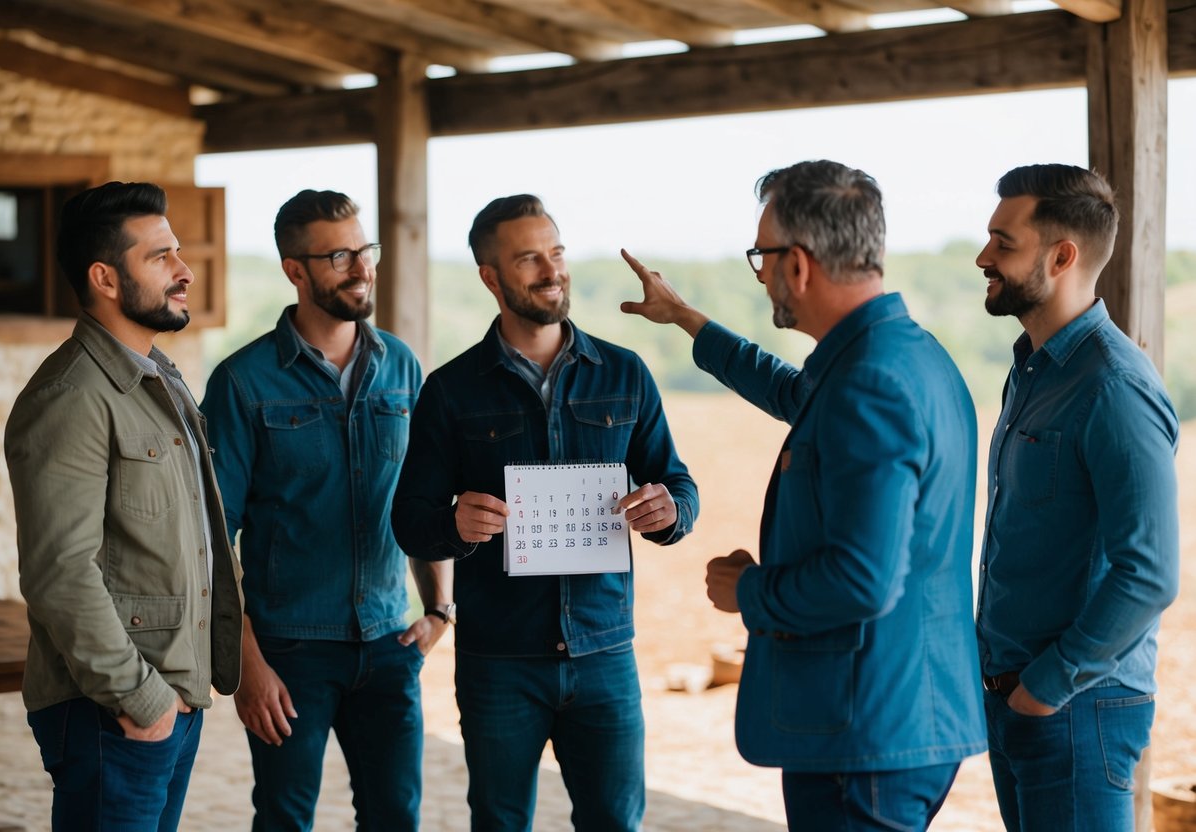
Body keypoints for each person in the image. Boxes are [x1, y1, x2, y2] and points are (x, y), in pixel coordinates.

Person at [620, 159, 987, 831]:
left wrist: (748, 593)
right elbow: (793, 393)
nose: (759, 276)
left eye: (761, 257)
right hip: (906, 716)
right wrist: (685, 319)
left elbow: (860, 579)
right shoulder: (905, 355)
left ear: (797, 264)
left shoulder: (868, 383)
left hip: (863, 732)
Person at [391, 194, 698, 831]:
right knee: (499, 825)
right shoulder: (450, 390)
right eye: (528, 258)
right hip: (498, 664)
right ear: (491, 277)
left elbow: (679, 486)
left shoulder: (625, 373)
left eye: (555, 252)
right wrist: (453, 525)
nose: (550, 269)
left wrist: (669, 509)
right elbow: (409, 519)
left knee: (616, 824)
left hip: (605, 656)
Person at [200, 189, 450, 830]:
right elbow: (207, 537)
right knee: (284, 818)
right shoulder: (243, 381)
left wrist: (440, 609)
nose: (363, 267)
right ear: (295, 270)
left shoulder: (402, 366)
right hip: (289, 650)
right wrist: (246, 665)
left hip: (390, 642)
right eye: (340, 256)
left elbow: (423, 497)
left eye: (364, 250)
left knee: (396, 816)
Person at [3, 181, 243, 830]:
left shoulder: (160, 378)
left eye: (179, 252)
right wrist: (142, 698)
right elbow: (60, 573)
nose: (184, 271)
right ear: (105, 278)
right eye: (160, 257)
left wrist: (172, 701)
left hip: (167, 702)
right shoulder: (71, 396)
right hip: (109, 709)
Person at [974, 164, 1179, 831]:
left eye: (1002, 243)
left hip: (1076, 708)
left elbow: (1147, 572)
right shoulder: (1030, 372)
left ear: (1060, 256)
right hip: (1019, 701)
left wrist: (1043, 691)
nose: (983, 257)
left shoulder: (1112, 386)